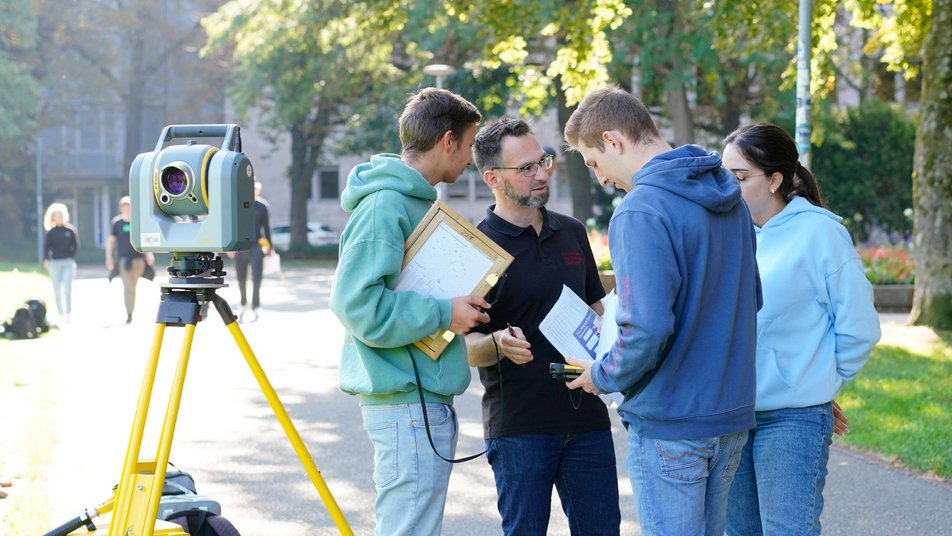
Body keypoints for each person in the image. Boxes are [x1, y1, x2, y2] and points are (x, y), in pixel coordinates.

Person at [562, 86, 762, 535]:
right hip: (730, 416)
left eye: (594, 163)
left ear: (613, 140)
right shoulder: (732, 200)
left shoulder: (640, 210)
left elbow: (647, 327)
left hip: (672, 421)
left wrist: (602, 374)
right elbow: (752, 300)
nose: (601, 180)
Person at [328, 87, 490, 536]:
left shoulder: (417, 201)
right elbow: (356, 305)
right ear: (447, 140)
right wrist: (443, 313)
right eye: (471, 144)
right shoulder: (385, 205)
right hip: (405, 406)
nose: (473, 158)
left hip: (421, 404)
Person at [721, 123, 881, 536]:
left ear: (775, 180)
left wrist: (821, 383)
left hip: (791, 418)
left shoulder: (820, 232)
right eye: (723, 176)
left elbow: (858, 325)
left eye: (738, 178)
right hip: (732, 415)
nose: (726, 186)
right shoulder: (727, 234)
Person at [466, 118, 621, 535]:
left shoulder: (570, 232)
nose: (542, 174)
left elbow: (597, 311)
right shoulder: (477, 249)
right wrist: (497, 343)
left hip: (587, 421)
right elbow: (463, 346)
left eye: (543, 161)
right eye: (527, 168)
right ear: (492, 178)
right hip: (520, 428)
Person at [106, 196, 154, 324]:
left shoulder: (138, 222)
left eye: (129, 207)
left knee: (133, 287)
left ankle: (132, 309)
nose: (127, 209)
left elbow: (146, 238)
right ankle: (129, 313)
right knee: (127, 286)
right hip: (123, 261)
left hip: (138, 260)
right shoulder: (117, 223)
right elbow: (111, 241)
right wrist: (109, 257)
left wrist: (149, 254)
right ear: (121, 208)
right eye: (124, 207)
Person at [229, 180, 273, 322]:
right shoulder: (238, 205)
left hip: (256, 247)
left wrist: (270, 247)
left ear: (258, 190)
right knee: (241, 278)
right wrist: (230, 247)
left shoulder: (262, 206)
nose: (252, 191)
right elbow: (232, 226)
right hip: (241, 247)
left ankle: (256, 306)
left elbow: (266, 228)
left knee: (257, 278)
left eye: (255, 189)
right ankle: (243, 303)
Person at [43, 202, 79, 324]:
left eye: (61, 215)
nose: (59, 218)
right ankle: (61, 314)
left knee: (67, 288)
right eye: (57, 216)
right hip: (55, 263)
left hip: (68, 262)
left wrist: (71, 257)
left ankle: (68, 313)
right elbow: (46, 247)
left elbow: (75, 246)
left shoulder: (70, 230)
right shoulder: (51, 232)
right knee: (57, 290)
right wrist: (46, 259)